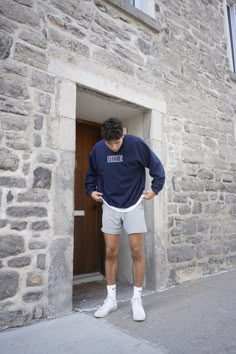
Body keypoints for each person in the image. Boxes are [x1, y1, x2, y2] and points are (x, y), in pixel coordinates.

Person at [85, 117, 165, 321]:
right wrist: (91, 191)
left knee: (137, 251)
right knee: (110, 251)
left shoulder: (136, 145)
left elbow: (157, 169)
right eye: (109, 143)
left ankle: (136, 299)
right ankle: (110, 300)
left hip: (133, 205)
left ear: (123, 135)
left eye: (117, 143)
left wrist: (155, 190)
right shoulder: (97, 150)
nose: (113, 147)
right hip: (110, 205)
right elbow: (91, 175)